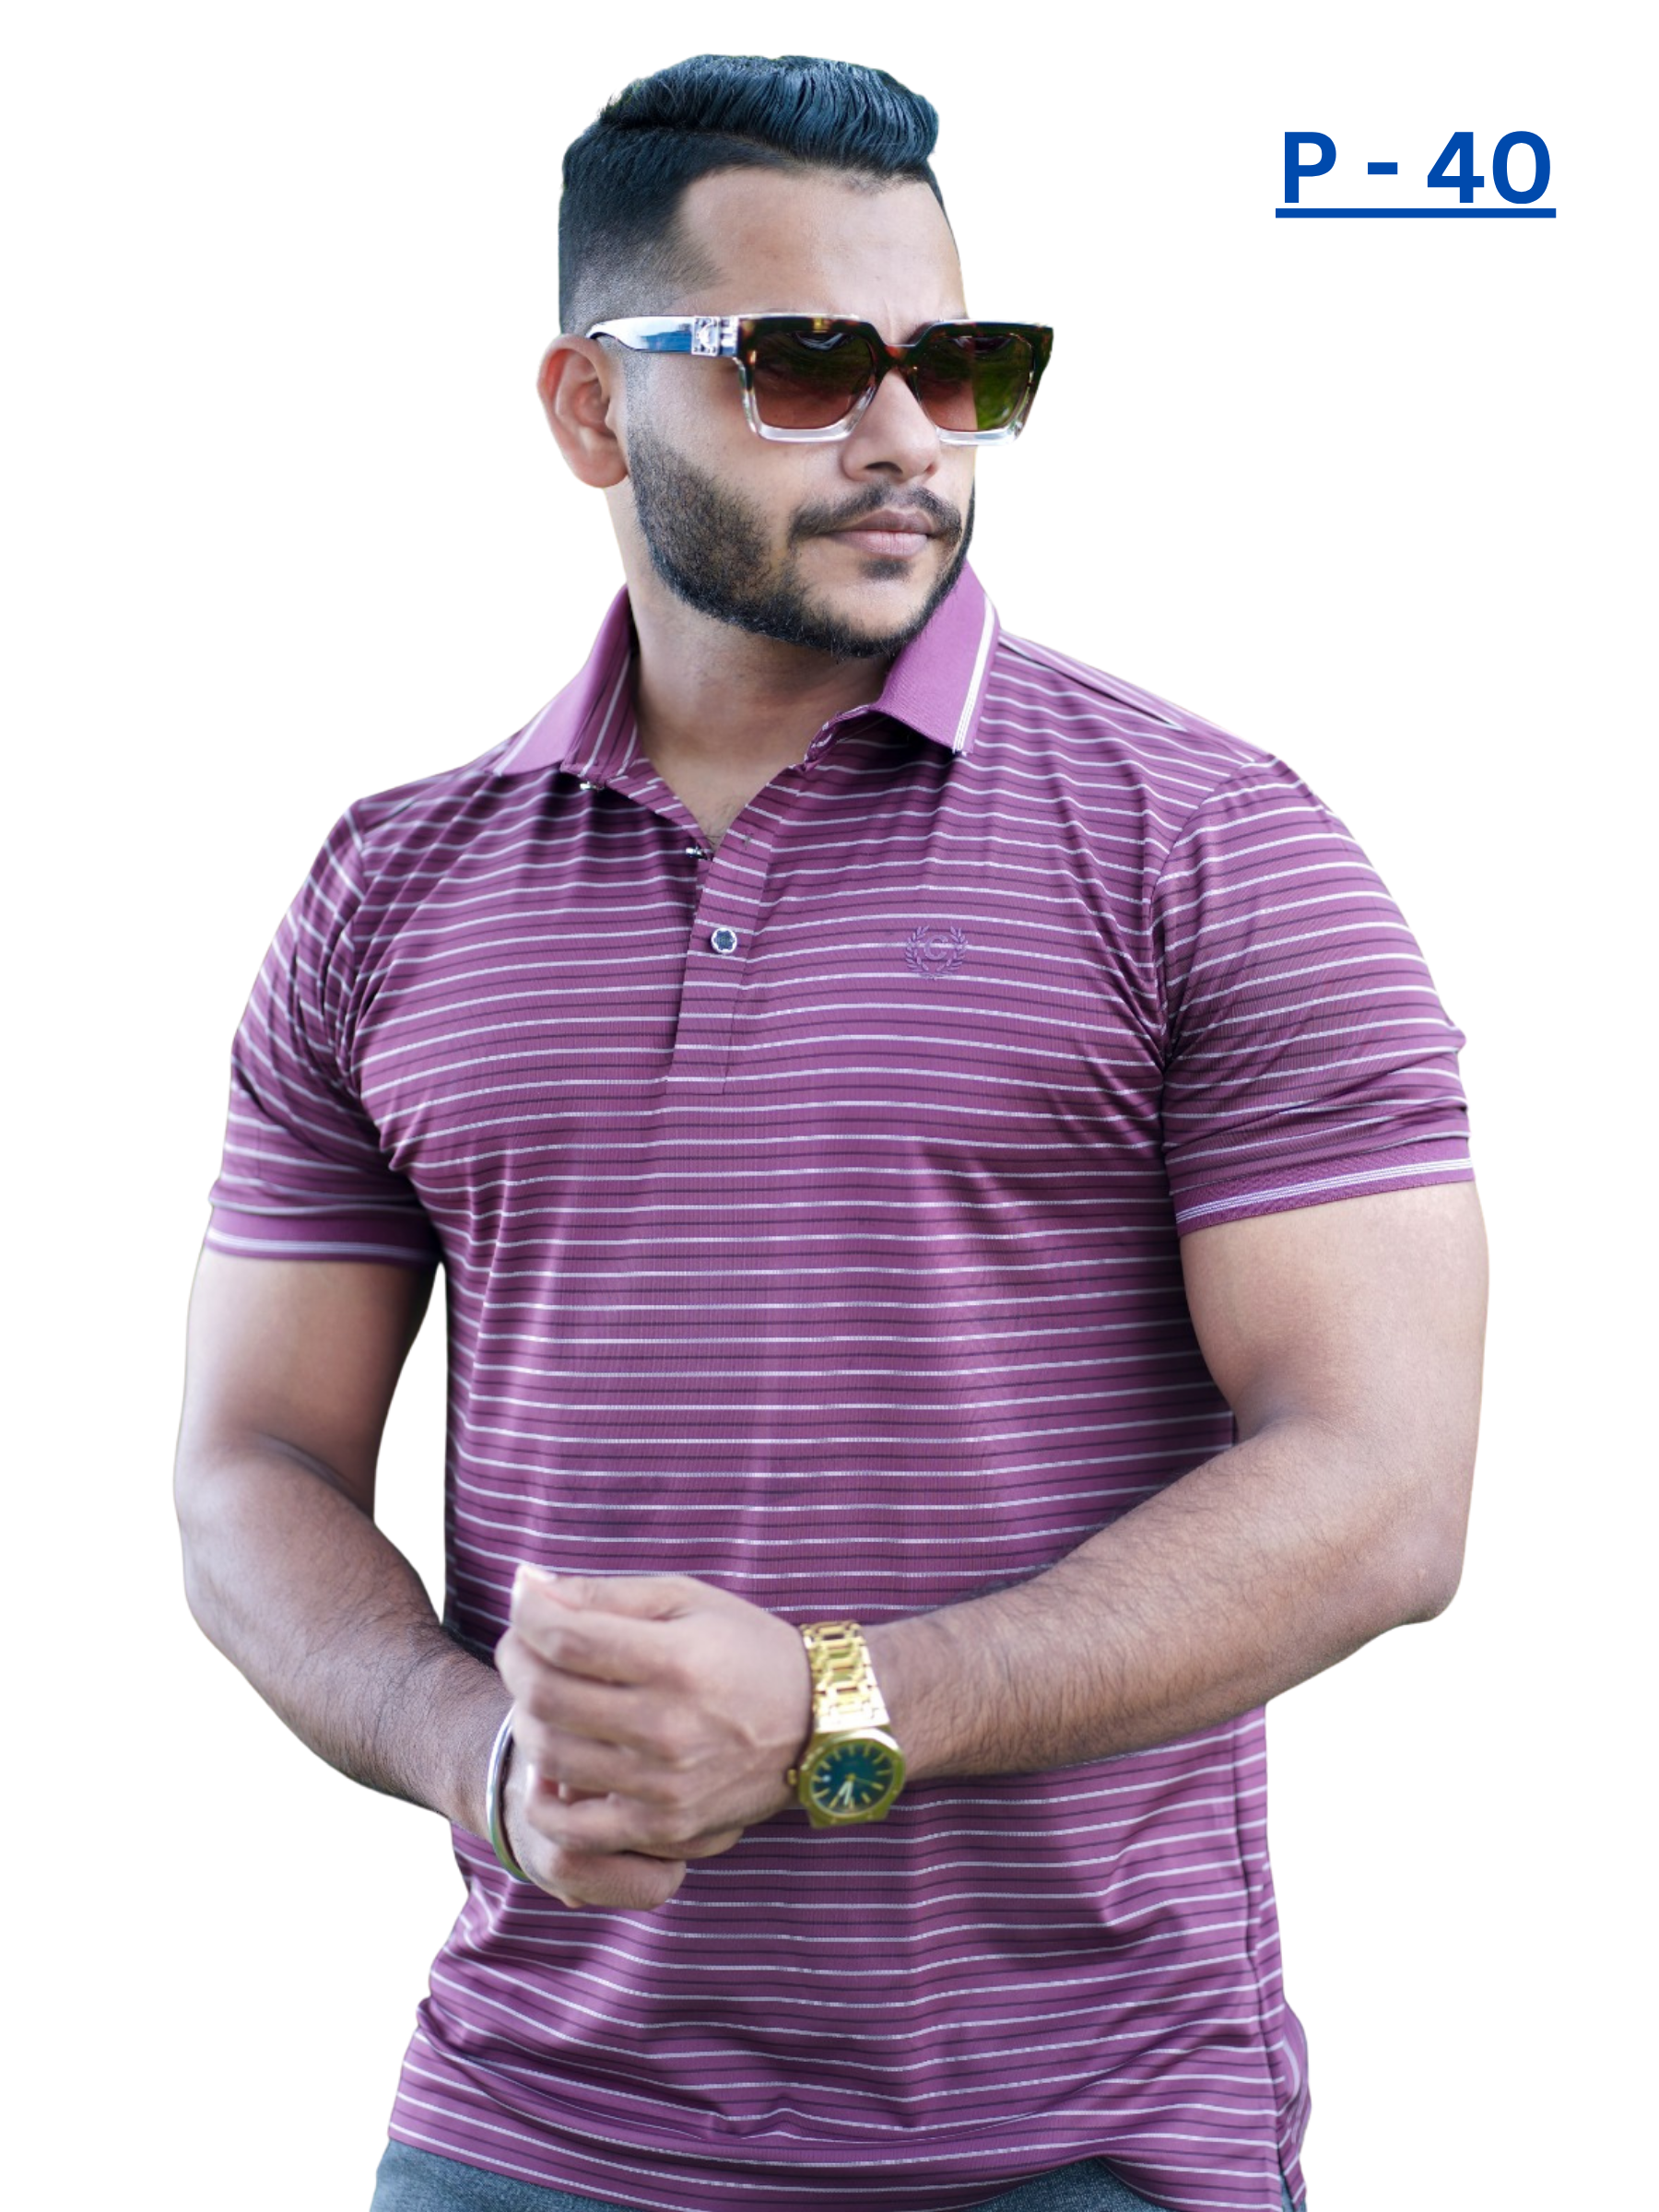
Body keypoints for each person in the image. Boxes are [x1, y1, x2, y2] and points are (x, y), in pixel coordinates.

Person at [174, 51, 1486, 2212]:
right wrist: (473, 1754)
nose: (904, 436)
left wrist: (833, 1703)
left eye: (957, 366)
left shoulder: (1213, 846)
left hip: (1071, 2139)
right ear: (592, 411)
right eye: (802, 365)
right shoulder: (390, 891)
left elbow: (1385, 1492)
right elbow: (250, 1464)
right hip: (527, 2127)